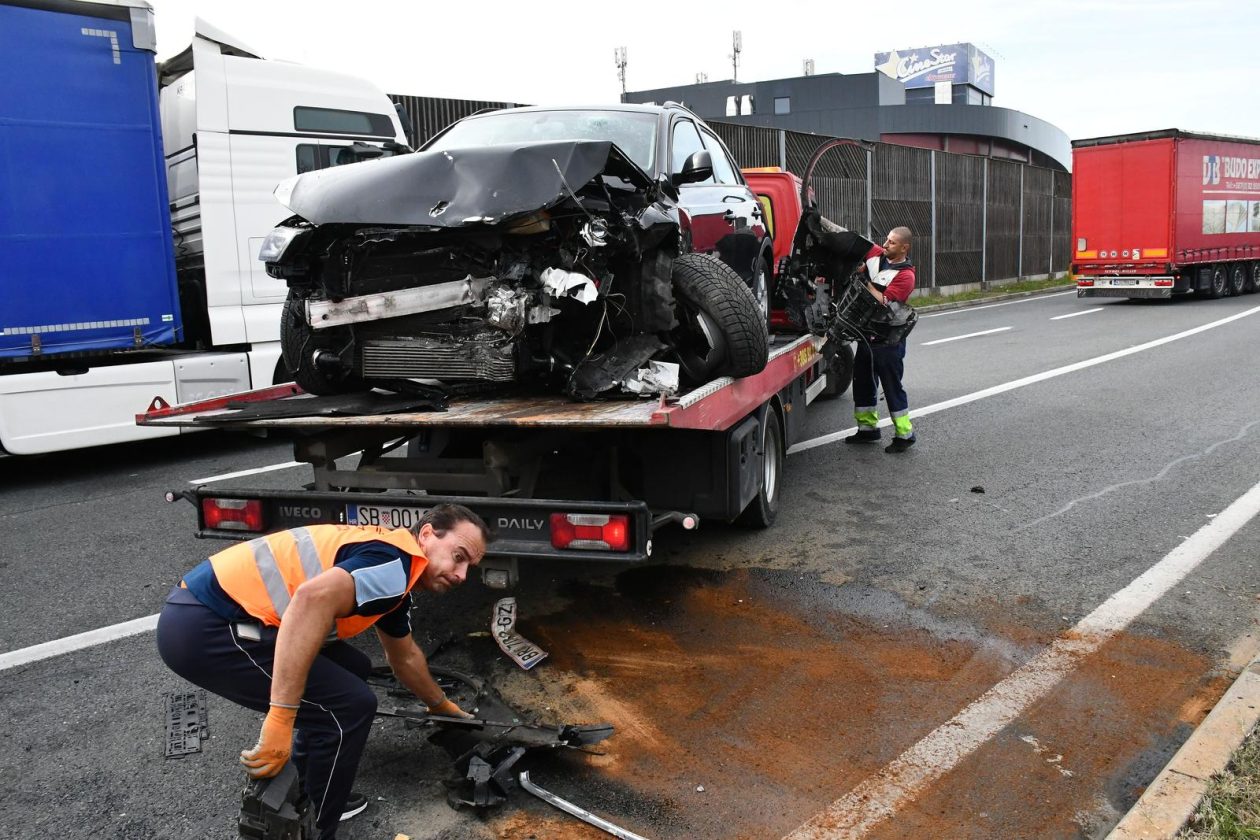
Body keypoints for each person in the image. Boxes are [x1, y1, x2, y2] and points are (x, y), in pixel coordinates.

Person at [156, 504, 490, 840]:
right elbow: (311, 599)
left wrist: (440, 706)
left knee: (354, 668)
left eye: (469, 567)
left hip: (217, 614)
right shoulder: (392, 566)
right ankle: (317, 830)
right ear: (428, 534)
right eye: (458, 556)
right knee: (350, 707)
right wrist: (280, 718)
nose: (462, 575)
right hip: (206, 625)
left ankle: (313, 793)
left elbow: (404, 657)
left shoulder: (395, 564)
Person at [845, 226, 917, 453]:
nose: (885, 245)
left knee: (891, 386)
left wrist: (862, 281)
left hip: (888, 340)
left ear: (904, 248)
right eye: (886, 240)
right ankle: (867, 430)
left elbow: (882, 301)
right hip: (867, 335)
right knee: (863, 380)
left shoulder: (906, 276)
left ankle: (905, 435)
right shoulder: (877, 255)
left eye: (892, 243)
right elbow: (860, 250)